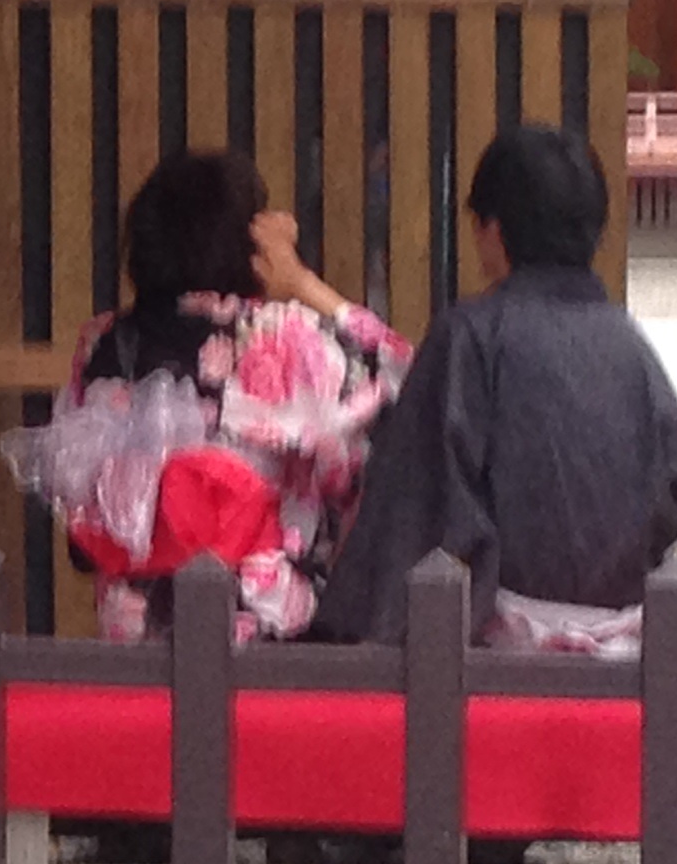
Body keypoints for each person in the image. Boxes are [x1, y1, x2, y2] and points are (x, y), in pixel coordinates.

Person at [313, 126, 677, 655]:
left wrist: (344, 618)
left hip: (499, 635)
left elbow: (414, 502)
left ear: (493, 232)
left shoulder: (471, 335)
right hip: (629, 632)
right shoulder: (625, 340)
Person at [42, 149, 411, 642]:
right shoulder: (281, 335)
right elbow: (406, 376)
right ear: (248, 241)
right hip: (262, 623)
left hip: (139, 626)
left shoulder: (102, 343)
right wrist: (301, 281)